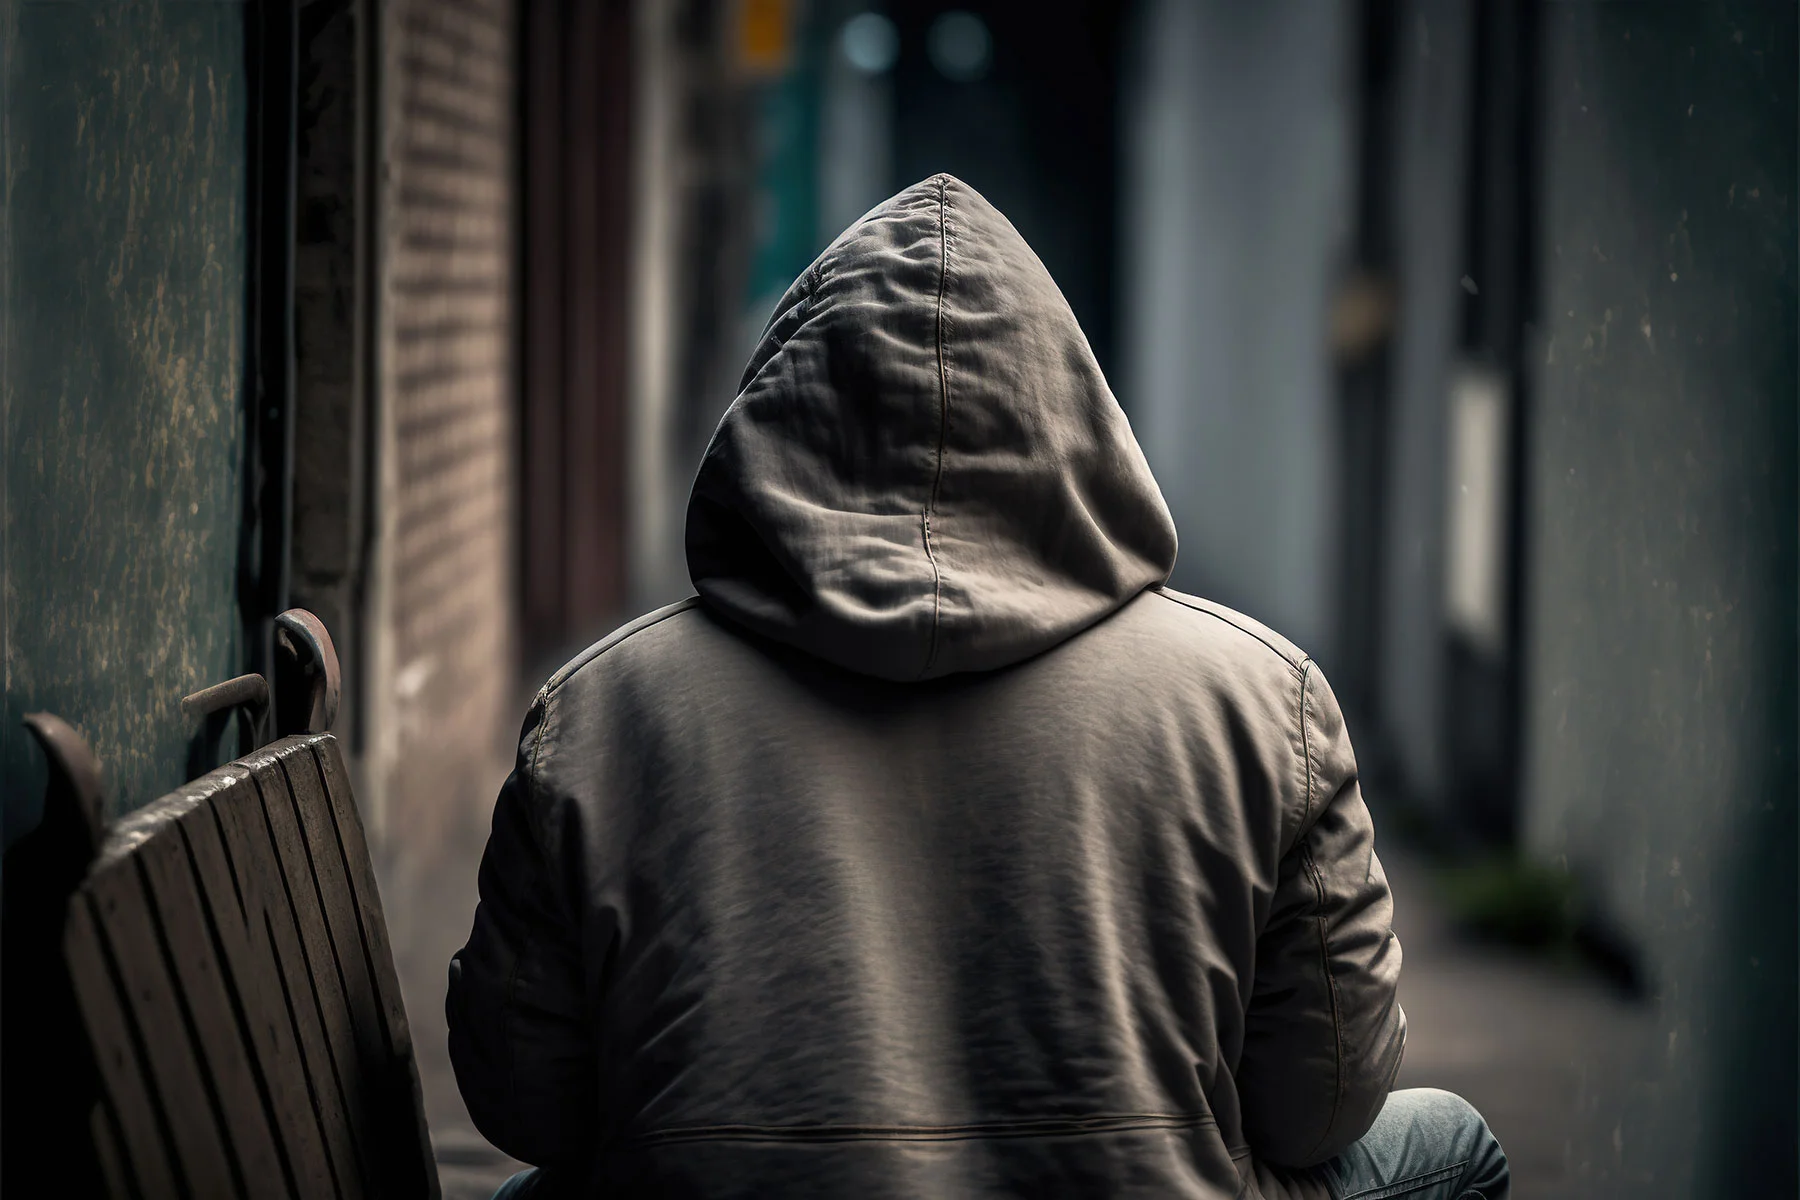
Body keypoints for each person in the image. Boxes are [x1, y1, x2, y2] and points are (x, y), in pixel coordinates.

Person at [448, 175, 1509, 1199]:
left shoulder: (602, 710)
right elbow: (1322, 1104)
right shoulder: (1262, 699)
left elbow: (527, 1104)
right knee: (1451, 1143)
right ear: (1071, 408)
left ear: (784, 413)